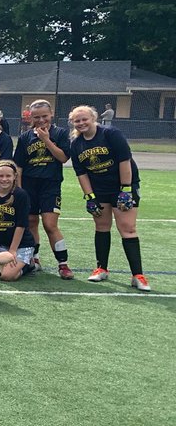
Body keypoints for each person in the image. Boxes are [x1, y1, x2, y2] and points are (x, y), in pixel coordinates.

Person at [69, 104, 148, 288]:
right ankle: (101, 269)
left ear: (93, 118)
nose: (81, 123)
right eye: (77, 121)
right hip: (100, 189)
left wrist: (125, 189)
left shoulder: (110, 134)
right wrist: (90, 197)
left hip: (121, 186)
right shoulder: (76, 144)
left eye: (84, 119)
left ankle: (138, 275)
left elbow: (124, 161)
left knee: (127, 228)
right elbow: (81, 173)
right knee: (102, 226)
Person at [14, 99, 73, 278]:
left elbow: (63, 158)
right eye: (36, 117)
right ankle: (35, 259)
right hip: (29, 186)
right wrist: (19, 189)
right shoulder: (25, 137)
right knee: (31, 222)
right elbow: (19, 166)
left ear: (51, 114)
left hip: (50, 185)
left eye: (44, 116)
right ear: (30, 117)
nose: (41, 120)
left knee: (50, 224)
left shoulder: (60, 133)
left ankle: (63, 264)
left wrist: (46, 140)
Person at [0, 160, 35, 281]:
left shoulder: (21, 195)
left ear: (14, 176)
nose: (4, 179)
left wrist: (13, 250)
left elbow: (21, 225)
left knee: (6, 275)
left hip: (20, 244)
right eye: (1, 176)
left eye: (8, 176)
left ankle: (29, 264)